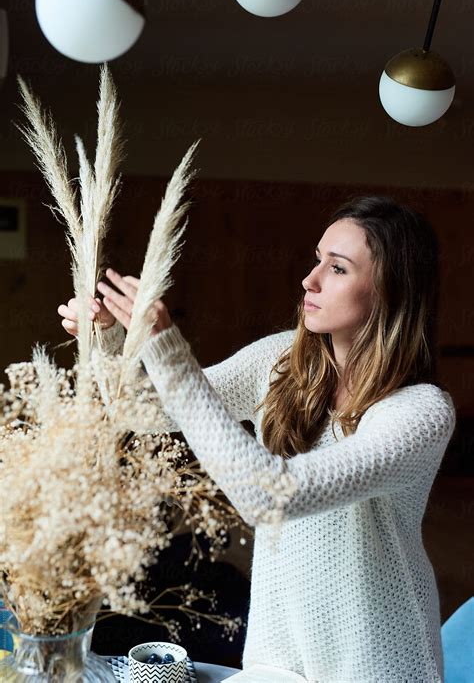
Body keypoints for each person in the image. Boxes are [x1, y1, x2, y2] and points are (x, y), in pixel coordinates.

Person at [57, 195, 456, 683]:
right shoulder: (282, 364)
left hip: (378, 666)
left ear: (391, 291)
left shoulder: (420, 413)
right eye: (317, 260)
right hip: (277, 657)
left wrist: (167, 349)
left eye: (337, 268)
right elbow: (146, 411)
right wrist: (107, 340)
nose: (309, 281)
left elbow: (270, 495)